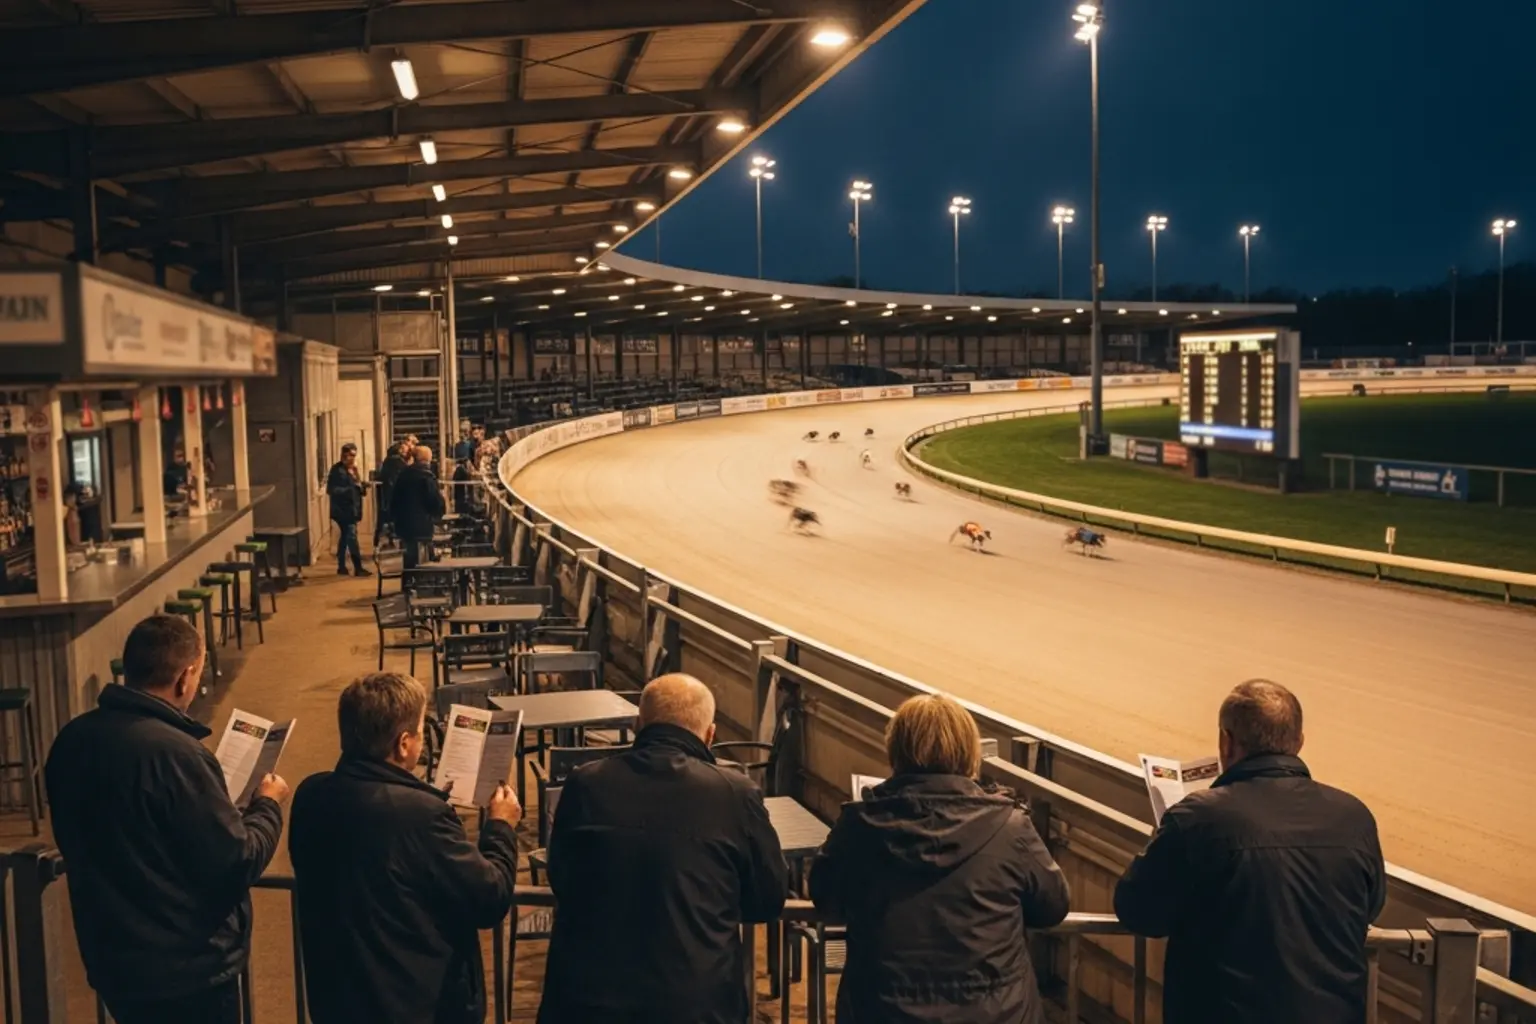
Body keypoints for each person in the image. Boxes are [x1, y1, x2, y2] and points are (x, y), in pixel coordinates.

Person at [44, 615, 288, 1024]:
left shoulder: (72, 741)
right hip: (187, 971)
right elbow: (237, 859)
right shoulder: (176, 754)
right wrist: (268, 804)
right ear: (186, 675)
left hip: (114, 960)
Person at [1114, 680, 1385, 1024]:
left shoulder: (1198, 817)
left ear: (1225, 743)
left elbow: (1138, 911)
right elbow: (1371, 906)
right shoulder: (1354, 817)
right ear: (1299, 743)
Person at [540, 673, 788, 1024]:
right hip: (695, 1003)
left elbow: (562, 876)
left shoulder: (585, 783)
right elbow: (768, 897)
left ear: (637, 724)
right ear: (710, 734)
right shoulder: (735, 793)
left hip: (586, 999)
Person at [809, 693, 1069, 1024]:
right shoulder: (1010, 827)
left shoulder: (860, 825)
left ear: (897, 751)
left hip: (882, 1011)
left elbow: (824, 895)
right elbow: (1053, 906)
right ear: (969, 754)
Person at [289, 672, 521, 1024]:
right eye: (418, 733)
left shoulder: (311, 796)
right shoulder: (420, 815)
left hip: (337, 1001)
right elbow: (489, 898)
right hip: (416, 1004)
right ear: (402, 744)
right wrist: (500, 827)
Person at [391, 445, 445, 570]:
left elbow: (394, 498)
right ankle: (421, 581)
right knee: (422, 556)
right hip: (422, 522)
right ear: (428, 459)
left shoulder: (403, 474)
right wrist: (438, 512)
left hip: (404, 522)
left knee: (408, 553)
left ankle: (408, 582)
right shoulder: (426, 476)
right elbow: (433, 499)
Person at [326, 443, 371, 576]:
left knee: (345, 537)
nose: (351, 458)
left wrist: (362, 486)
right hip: (343, 510)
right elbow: (332, 489)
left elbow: (358, 487)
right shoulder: (336, 470)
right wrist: (350, 489)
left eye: (354, 455)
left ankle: (341, 566)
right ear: (343, 455)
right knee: (351, 536)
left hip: (353, 509)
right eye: (349, 455)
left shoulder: (354, 470)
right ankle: (358, 567)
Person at [375, 439, 410, 547]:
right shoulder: (399, 463)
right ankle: (399, 542)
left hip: (386, 495)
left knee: (384, 520)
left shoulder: (387, 462)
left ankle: (380, 541)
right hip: (397, 496)